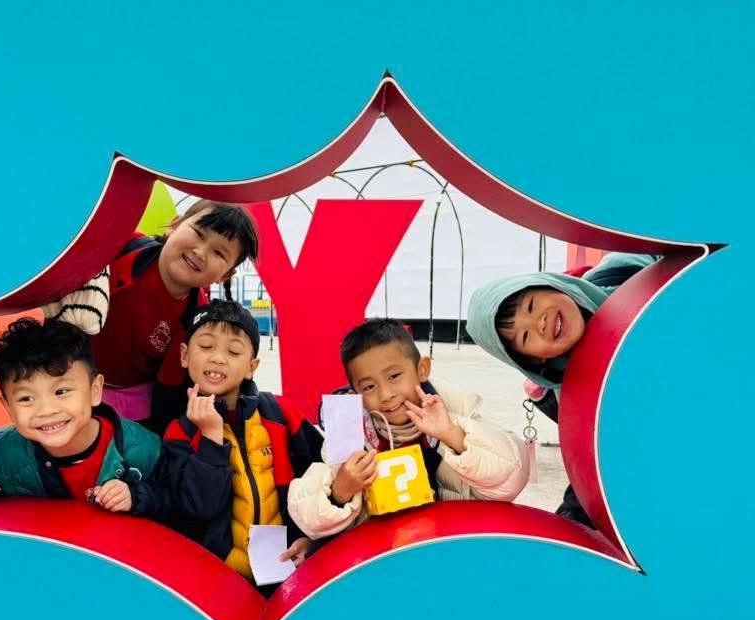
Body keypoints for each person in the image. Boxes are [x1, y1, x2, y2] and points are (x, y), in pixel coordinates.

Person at [288, 318, 529, 540]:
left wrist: (451, 434)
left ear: (422, 369)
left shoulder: (453, 410)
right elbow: (307, 515)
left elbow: (511, 479)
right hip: (384, 556)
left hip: (451, 545)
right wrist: (340, 491)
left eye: (394, 376)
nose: (386, 395)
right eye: (369, 387)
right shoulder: (350, 435)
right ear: (355, 393)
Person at [465, 252, 657, 525]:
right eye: (526, 336)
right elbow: (595, 473)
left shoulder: (621, 276)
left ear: (550, 285)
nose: (539, 323)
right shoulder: (575, 399)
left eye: (531, 306)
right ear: (535, 361)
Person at [42, 200, 259, 433]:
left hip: (130, 404)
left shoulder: (196, 321)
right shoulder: (119, 246)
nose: (200, 252)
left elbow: (169, 389)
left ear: (226, 275)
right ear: (175, 225)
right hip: (62, 374)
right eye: (198, 234)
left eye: (218, 252)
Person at [0, 318, 167, 517]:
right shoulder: (2, 454)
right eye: (26, 398)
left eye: (61, 392)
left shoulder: (143, 450)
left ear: (95, 391)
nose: (46, 410)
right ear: (7, 406)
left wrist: (136, 497)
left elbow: (171, 501)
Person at [159, 300, 323, 585]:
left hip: (289, 568)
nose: (218, 358)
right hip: (217, 579)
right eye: (206, 346)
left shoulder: (281, 414)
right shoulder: (179, 432)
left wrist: (312, 540)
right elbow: (199, 508)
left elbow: (323, 480)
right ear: (184, 355)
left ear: (251, 366)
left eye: (233, 351)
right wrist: (211, 436)